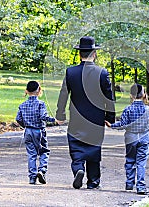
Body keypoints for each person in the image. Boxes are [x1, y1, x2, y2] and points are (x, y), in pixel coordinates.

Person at [55, 36, 115, 190]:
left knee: (76, 147)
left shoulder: (71, 72)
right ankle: (93, 182)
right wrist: (110, 118)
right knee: (94, 149)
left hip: (76, 118)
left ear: (79, 54)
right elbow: (109, 98)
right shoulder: (102, 73)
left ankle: (78, 169)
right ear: (94, 53)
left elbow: (63, 95)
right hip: (96, 119)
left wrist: (60, 115)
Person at [105, 83, 149, 195]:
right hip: (144, 137)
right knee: (141, 162)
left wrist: (111, 125)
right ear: (144, 94)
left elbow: (123, 124)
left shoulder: (128, 109)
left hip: (131, 138)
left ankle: (129, 182)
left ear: (131, 95)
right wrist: (146, 133)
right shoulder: (148, 110)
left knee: (130, 159)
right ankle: (141, 186)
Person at [15, 81, 56, 185]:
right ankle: (41, 171)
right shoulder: (41, 104)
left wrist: (25, 126)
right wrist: (54, 120)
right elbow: (43, 117)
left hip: (28, 131)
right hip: (39, 131)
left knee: (31, 154)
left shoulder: (22, 105)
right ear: (39, 90)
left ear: (27, 91)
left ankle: (32, 177)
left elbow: (18, 119)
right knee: (44, 151)